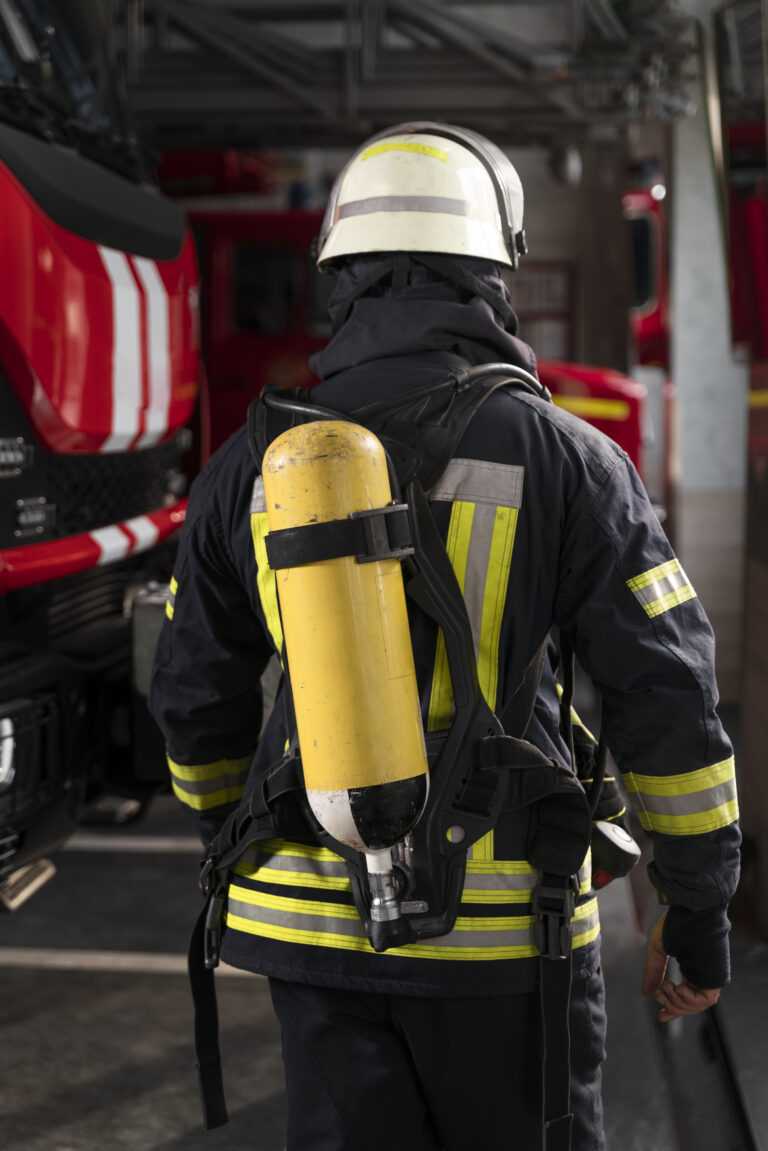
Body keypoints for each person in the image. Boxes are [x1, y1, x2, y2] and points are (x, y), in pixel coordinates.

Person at [149, 123, 741, 1151]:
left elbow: (191, 693)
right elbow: (668, 696)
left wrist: (230, 830)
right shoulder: (569, 460)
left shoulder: (253, 465)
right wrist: (696, 909)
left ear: (341, 277)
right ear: (492, 275)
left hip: (311, 933)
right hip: (508, 937)